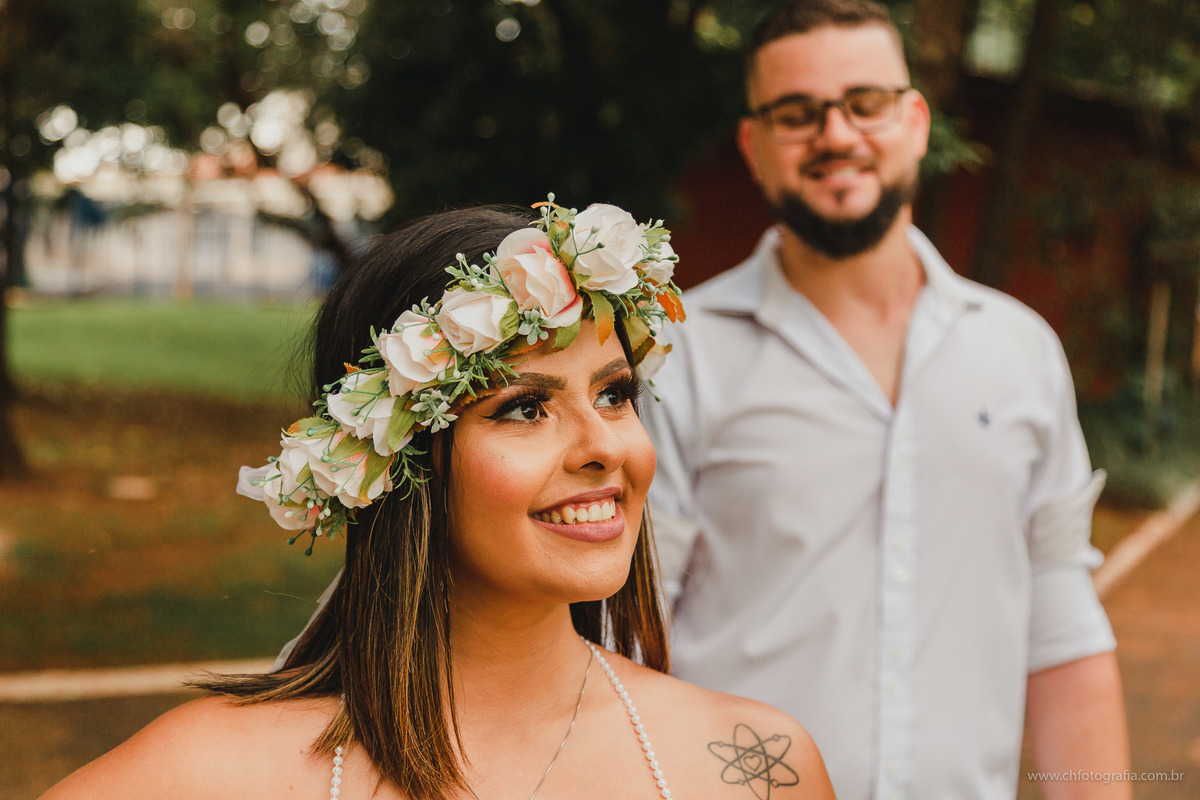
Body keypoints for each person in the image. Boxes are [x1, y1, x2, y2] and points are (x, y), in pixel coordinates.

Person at [40, 200, 834, 800]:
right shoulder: (211, 776)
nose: (605, 446)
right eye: (524, 406)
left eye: (616, 393)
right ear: (398, 459)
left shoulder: (754, 769)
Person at [642, 2, 1131, 798]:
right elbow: (625, 638)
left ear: (914, 121)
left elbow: (1063, 629)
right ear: (753, 147)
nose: (837, 135)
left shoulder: (1020, 351)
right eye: (798, 114)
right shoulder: (677, 356)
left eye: (865, 103)